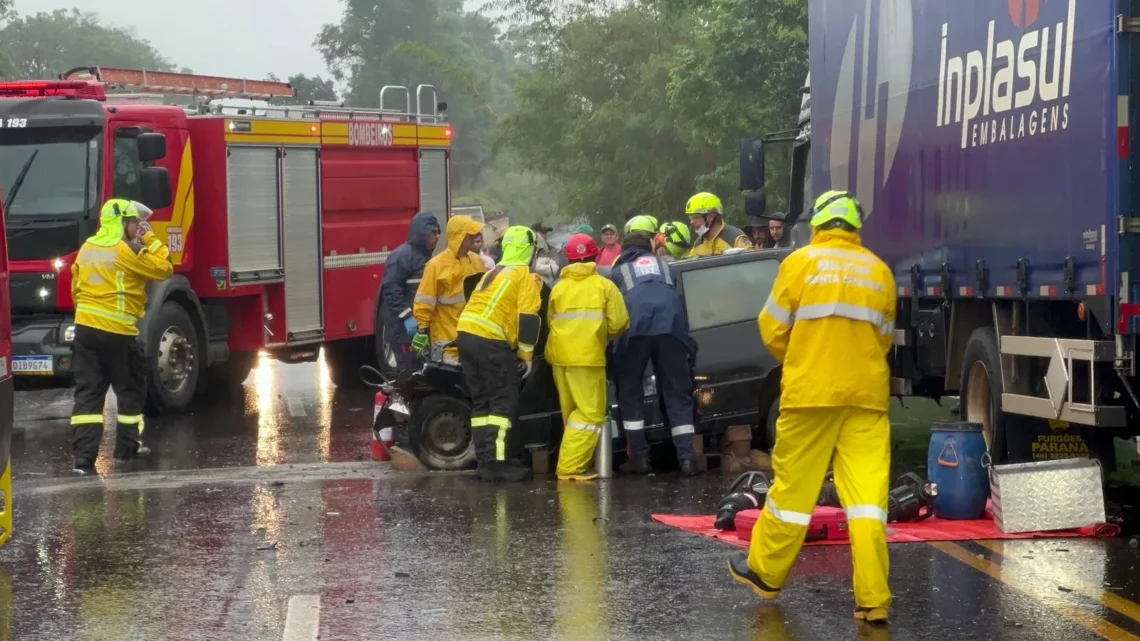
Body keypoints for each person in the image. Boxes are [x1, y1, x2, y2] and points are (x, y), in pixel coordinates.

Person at [728, 191, 896, 625]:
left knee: (793, 493)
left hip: (809, 397)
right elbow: (884, 338)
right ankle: (873, 599)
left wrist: (801, 357)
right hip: (865, 399)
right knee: (867, 503)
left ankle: (766, 573)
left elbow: (772, 327)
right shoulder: (879, 272)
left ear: (818, 224)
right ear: (855, 225)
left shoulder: (799, 264)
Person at [69, 199, 173, 474]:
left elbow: (75, 289)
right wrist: (150, 237)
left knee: (88, 396)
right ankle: (127, 450)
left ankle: (83, 459)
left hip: (85, 331)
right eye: (135, 223)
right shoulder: (126, 251)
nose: (137, 228)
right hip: (118, 333)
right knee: (130, 391)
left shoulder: (87, 249)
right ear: (122, 223)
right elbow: (165, 268)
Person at [610, 215, 700, 476]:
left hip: (634, 329)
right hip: (670, 327)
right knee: (676, 390)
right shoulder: (666, 266)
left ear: (624, 250)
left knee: (630, 391)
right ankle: (687, 458)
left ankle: (639, 457)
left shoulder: (618, 272)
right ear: (649, 246)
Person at [457, 225, 545, 482]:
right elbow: (528, 320)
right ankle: (498, 464)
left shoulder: (492, 272)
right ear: (529, 251)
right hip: (491, 341)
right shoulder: (524, 276)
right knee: (502, 402)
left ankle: (485, 462)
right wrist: (526, 357)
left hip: (467, 336)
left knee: (482, 403)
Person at [547, 233, 629, 480]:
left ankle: (575, 462)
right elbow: (620, 323)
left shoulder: (558, 288)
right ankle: (570, 467)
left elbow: (552, 320)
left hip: (559, 358)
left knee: (571, 413)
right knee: (590, 414)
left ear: (568, 259)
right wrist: (604, 336)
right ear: (595, 255)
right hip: (588, 358)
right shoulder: (604, 286)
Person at [412, 215, 488, 364]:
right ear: (459, 236)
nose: (475, 237)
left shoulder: (477, 262)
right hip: (447, 344)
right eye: (470, 234)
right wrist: (422, 330)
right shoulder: (436, 265)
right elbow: (424, 301)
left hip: (474, 340)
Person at [379, 212, 441, 374]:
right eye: (434, 233)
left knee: (421, 371)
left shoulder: (425, 257)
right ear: (424, 232)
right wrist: (407, 317)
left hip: (417, 329)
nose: (437, 237)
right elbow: (391, 290)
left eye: (438, 233)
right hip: (402, 329)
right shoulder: (401, 257)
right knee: (409, 371)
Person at [684, 192, 752, 257]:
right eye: (690, 218)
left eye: (696, 217)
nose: (692, 222)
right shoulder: (698, 244)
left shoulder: (735, 238)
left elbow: (751, 263)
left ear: (711, 216)